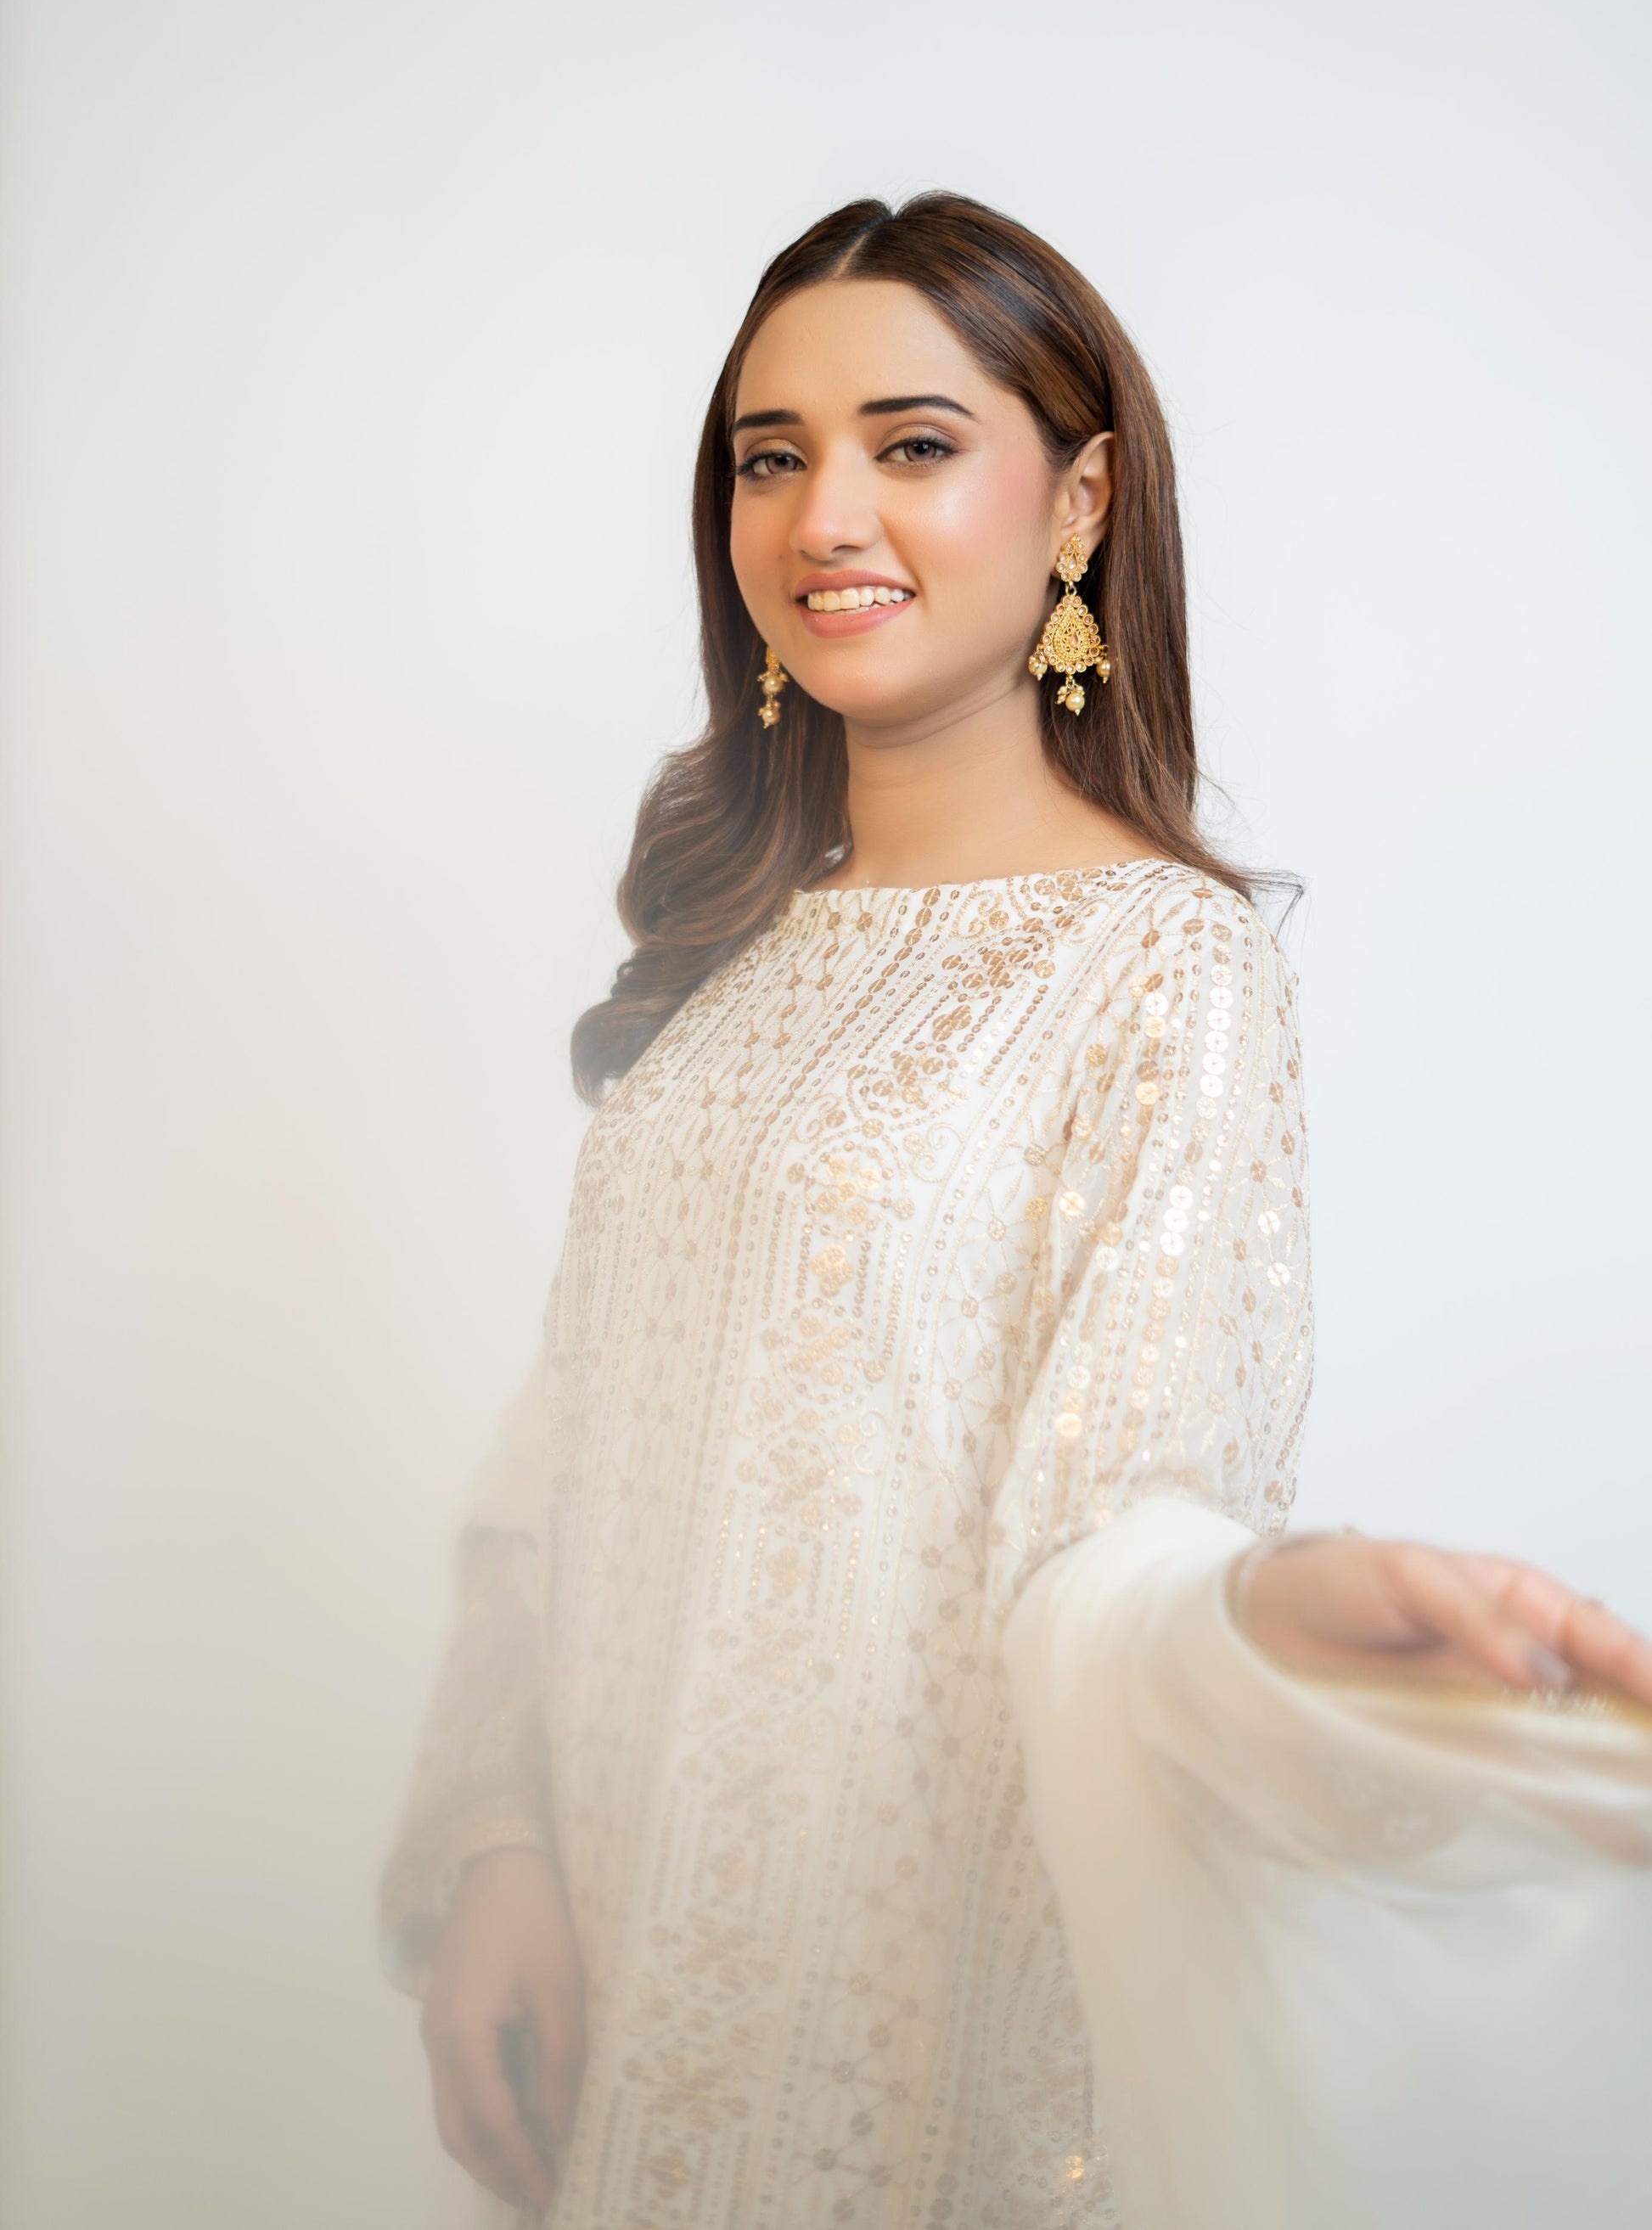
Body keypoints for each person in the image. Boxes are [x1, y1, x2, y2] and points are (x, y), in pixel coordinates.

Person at [379, 193, 1652, 2229]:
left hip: (900, 2011)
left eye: (912, 443)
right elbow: (566, 1445)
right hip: (621, 1969)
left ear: (1078, 498)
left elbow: (1110, 1525)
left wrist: (1259, 1608)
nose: (825, 518)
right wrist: (494, 1845)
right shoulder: (728, 957)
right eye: (770, 457)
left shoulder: (1160, 967)